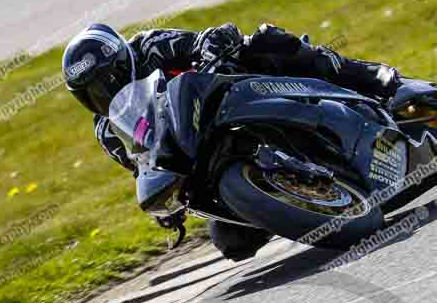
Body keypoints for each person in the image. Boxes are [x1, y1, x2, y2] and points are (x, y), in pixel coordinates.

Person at [63, 22, 402, 260]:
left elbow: (201, 40)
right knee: (231, 242)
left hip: (226, 94)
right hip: (202, 153)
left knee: (267, 41)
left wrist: (214, 45)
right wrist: (164, 207)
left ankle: (362, 76)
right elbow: (142, 165)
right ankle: (301, 193)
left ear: (121, 60)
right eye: (90, 92)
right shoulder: (108, 131)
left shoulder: (149, 46)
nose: (103, 93)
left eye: (106, 80)